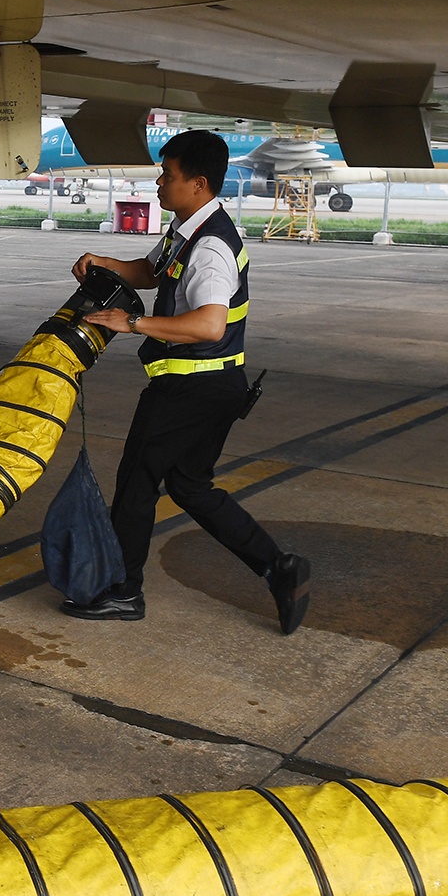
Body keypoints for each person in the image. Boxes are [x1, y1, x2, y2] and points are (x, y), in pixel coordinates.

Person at [66, 129, 311, 633]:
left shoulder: (211, 249)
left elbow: (208, 324)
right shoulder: (189, 230)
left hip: (190, 389)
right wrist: (105, 263)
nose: (159, 183)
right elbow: (153, 272)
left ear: (198, 184)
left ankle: (123, 590)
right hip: (216, 388)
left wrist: (131, 324)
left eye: (168, 175)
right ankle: (278, 567)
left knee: (137, 482)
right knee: (189, 485)